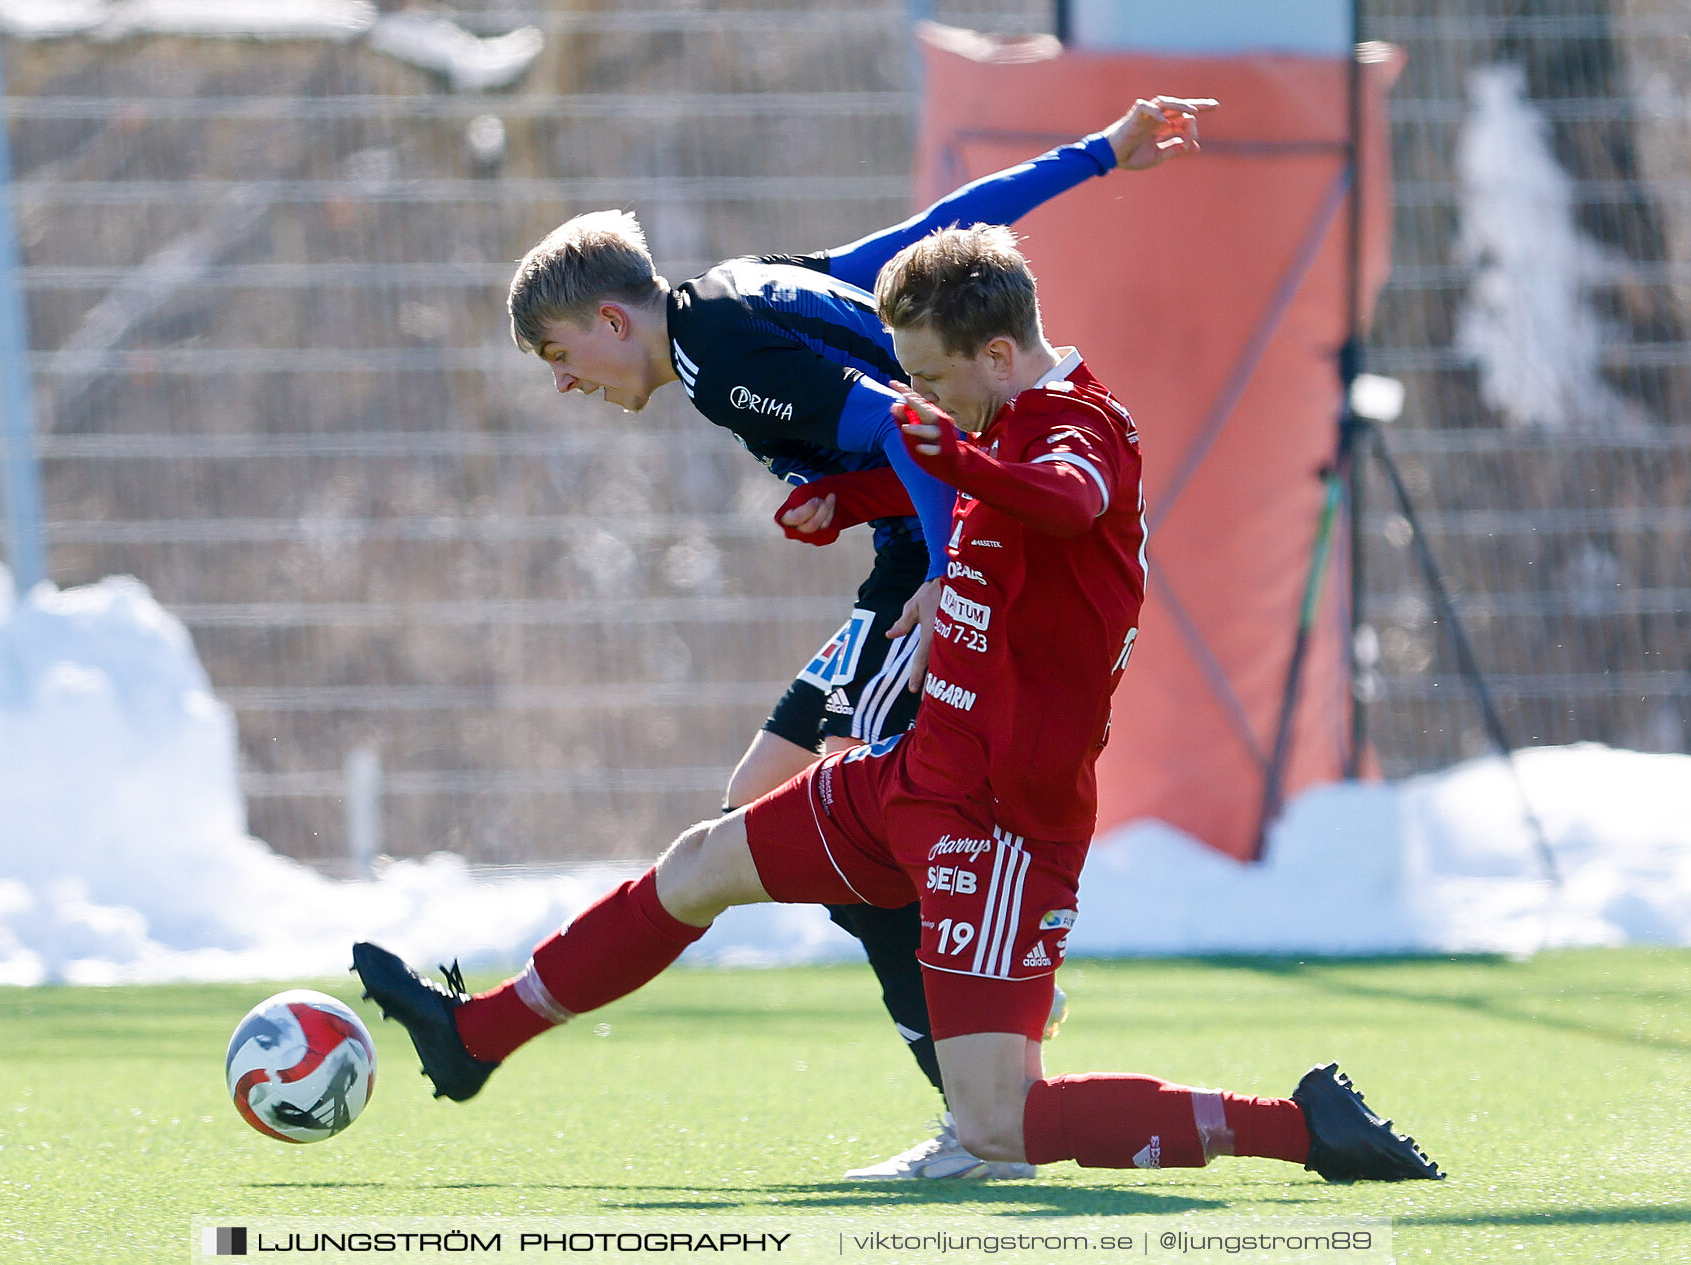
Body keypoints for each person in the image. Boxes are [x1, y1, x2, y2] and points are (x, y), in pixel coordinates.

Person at [356, 226, 1444, 1186]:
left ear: (999, 356)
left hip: (998, 821)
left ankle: (1303, 1128)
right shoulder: (997, 417)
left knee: (1002, 1122)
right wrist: (857, 492)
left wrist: (933, 450)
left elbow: (1066, 499)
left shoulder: (1078, 428)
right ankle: (478, 1035)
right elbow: (969, 470)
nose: (912, 398)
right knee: (702, 860)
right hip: (911, 778)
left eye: (927, 378)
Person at [503, 96, 1217, 1178]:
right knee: (766, 801)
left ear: (610, 322)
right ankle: (982, 1033)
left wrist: (950, 565)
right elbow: (940, 232)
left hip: (920, 565)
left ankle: (987, 1062)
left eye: (560, 355)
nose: (567, 383)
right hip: (907, 557)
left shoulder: (714, 354)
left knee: (874, 799)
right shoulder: (749, 281)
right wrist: (1101, 154)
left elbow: (897, 422)